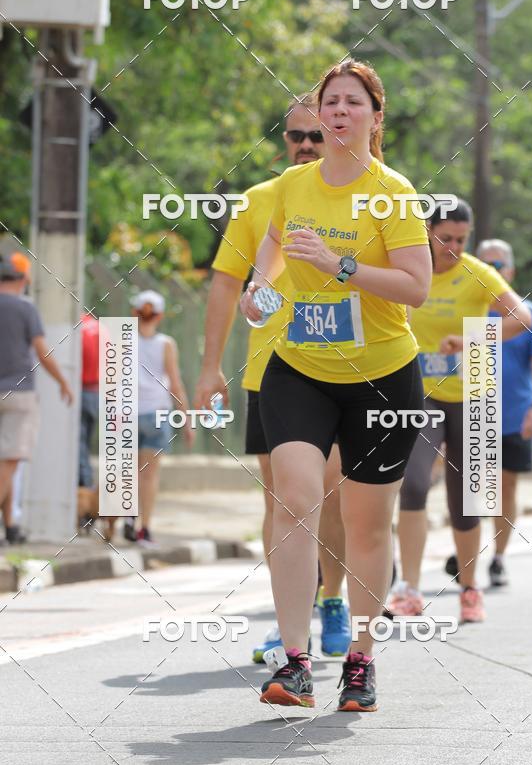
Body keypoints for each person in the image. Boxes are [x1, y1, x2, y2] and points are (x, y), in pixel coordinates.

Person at [240, 58, 432, 711]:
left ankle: (359, 663)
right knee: (294, 500)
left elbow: (417, 287)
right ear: (319, 116)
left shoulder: (394, 192)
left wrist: (339, 264)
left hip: (381, 378)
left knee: (367, 524)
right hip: (300, 367)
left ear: (376, 118)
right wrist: (261, 289)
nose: (340, 111)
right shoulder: (294, 185)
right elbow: (272, 244)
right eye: (332, 102)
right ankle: (294, 662)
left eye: (354, 102)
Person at [195, 94, 351, 662]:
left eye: (317, 135)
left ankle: (332, 598)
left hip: (345, 369)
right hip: (273, 372)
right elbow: (224, 283)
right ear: (284, 141)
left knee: (331, 495)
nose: (307, 146)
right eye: (296, 137)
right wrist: (211, 366)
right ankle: (295, 621)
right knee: (284, 501)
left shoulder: (364, 194)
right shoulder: (262, 200)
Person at [387, 206, 532, 622]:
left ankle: (470, 589)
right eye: (445, 238)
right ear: (427, 233)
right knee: (413, 483)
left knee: (468, 501)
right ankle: (409, 590)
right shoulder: (408, 267)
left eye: (461, 240)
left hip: (475, 390)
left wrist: (472, 336)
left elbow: (520, 318)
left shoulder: (477, 272)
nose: (452, 248)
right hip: (422, 392)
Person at [444, 238, 532, 587]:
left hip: (515, 412)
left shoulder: (529, 313)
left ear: (511, 271)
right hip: (470, 406)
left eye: (499, 266)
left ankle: (499, 557)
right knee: (472, 488)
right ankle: (467, 552)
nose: (493, 271)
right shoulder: (469, 306)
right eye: (486, 265)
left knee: (505, 486)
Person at [0, 252, 73, 542]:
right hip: (18, 394)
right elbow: (42, 352)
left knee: (3, 462)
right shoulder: (25, 309)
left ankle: (11, 528)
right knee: (9, 462)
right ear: (24, 280)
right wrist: (62, 381)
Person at [123, 290, 194, 546]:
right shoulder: (166, 344)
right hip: (157, 413)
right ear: (160, 316)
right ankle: (145, 528)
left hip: (127, 412)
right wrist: (186, 419)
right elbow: (175, 383)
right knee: (149, 475)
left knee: (128, 470)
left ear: (134, 313)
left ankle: (127, 516)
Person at [79, 312, 100, 489]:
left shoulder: (76, 328)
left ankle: (83, 492)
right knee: (84, 444)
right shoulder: (101, 329)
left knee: (78, 447)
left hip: (77, 390)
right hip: (95, 393)